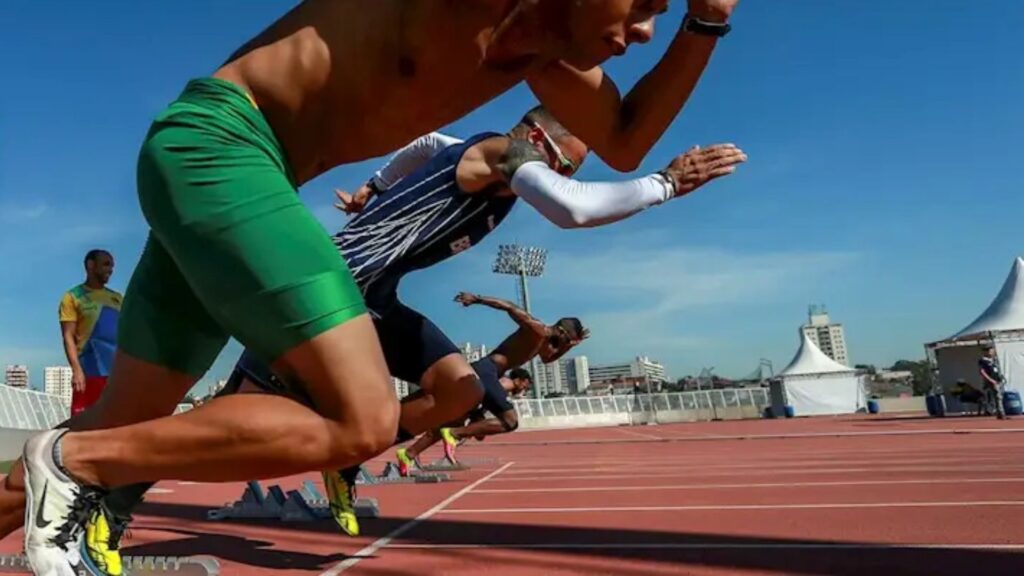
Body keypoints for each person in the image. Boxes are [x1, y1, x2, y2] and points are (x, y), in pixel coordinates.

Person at [16, 2, 742, 573]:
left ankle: (80, 466)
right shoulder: (493, 89)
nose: (648, 31)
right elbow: (581, 198)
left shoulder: (541, 57)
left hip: (238, 176)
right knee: (358, 422)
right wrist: (666, 184)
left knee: (119, 421)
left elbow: (624, 136)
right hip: (222, 148)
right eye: (646, 3)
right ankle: (74, 468)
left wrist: (706, 23)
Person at [397, 291, 587, 473]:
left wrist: (568, 347)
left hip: (488, 373)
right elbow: (509, 307)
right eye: (566, 341)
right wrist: (476, 299)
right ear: (561, 332)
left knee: (455, 418)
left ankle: (408, 454)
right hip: (486, 371)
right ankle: (454, 434)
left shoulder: (544, 341)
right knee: (510, 422)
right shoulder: (536, 328)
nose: (562, 345)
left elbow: (548, 358)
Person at [59, 250, 122, 416]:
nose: (111, 269)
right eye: (106, 264)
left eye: (112, 265)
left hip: (115, 374)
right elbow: (68, 336)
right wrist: (76, 370)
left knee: (114, 423)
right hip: (89, 372)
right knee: (83, 425)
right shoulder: (73, 297)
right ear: (91, 265)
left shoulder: (116, 298)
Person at [979, 346, 1006, 420]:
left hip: (998, 380)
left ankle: (998, 412)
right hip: (992, 381)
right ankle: (1000, 413)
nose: (991, 352)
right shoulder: (983, 361)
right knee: (997, 396)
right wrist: (990, 380)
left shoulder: (993, 360)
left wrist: (1001, 377)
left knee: (999, 396)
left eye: (991, 350)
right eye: (989, 351)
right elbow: (982, 372)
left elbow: (996, 370)